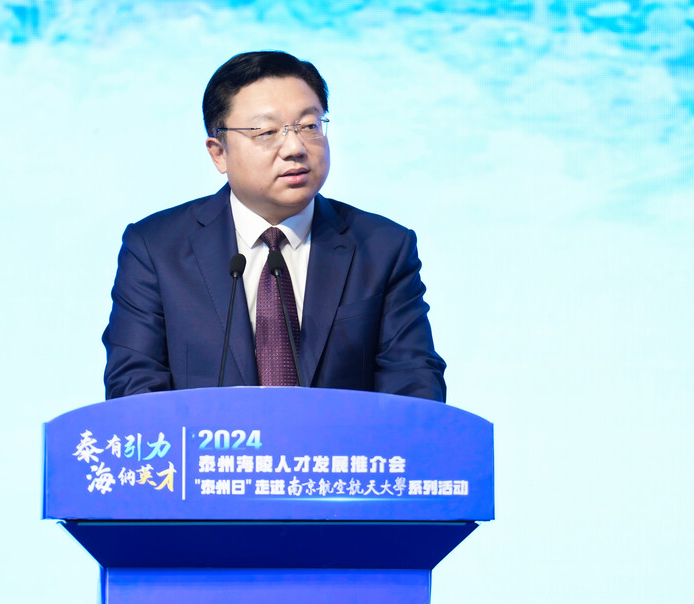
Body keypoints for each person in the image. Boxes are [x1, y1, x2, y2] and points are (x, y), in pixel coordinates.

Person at [102, 50, 446, 401]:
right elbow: (133, 389)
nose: (295, 147)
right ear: (219, 153)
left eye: (309, 126)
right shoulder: (156, 249)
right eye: (267, 132)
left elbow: (414, 385)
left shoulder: (383, 248)